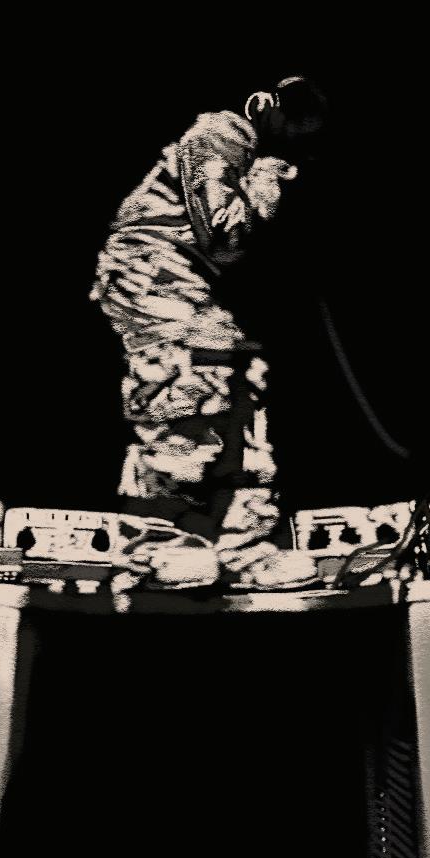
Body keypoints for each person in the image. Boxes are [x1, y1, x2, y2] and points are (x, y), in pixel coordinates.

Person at [91, 76, 329, 590]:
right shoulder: (220, 134)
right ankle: (155, 547)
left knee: (243, 397)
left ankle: (243, 547)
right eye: (295, 115)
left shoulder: (272, 157)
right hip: (151, 272)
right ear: (266, 107)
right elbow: (224, 236)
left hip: (203, 291)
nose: (302, 130)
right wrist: (266, 179)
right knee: (183, 392)